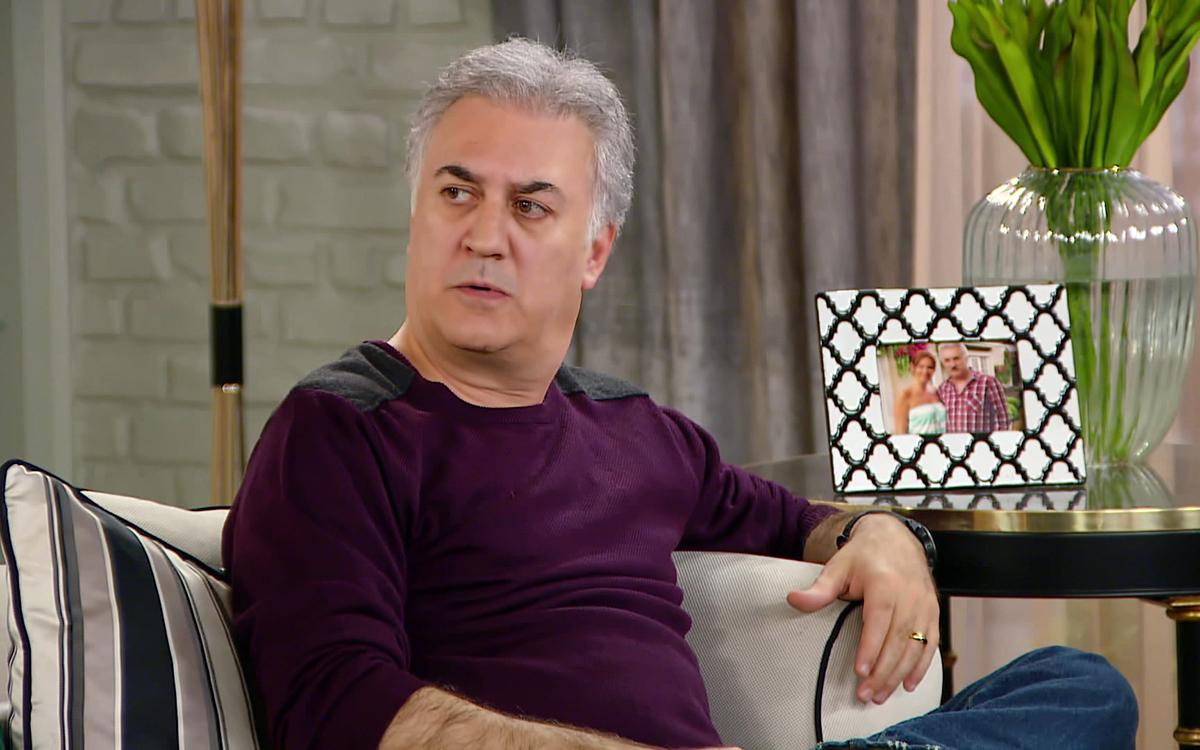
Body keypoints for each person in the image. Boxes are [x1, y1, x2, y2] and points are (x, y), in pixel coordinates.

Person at [222, 39, 1136, 750]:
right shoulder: (340, 430)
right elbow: (336, 708)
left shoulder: (629, 426)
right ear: (418, 210)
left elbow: (795, 522)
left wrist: (884, 535)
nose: (484, 236)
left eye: (530, 206)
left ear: (595, 252)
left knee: (1079, 686)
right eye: (458, 193)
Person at [936, 343, 1011, 433]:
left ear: (966, 358)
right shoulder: (943, 389)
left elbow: (1002, 420)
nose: (952, 364)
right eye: (947, 360)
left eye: (956, 358)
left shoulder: (988, 382)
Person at [892, 350, 946, 435]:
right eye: (921, 367)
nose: (925, 371)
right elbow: (900, 433)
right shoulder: (905, 395)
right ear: (913, 368)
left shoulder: (936, 392)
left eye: (930, 367)